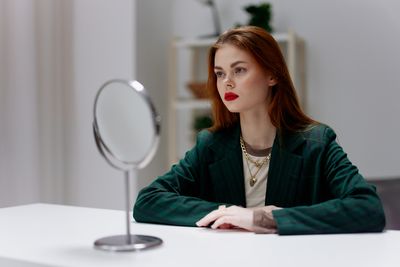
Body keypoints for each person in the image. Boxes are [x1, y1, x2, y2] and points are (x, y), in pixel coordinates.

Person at [133, 26, 386, 235]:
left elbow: (368, 207)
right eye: (220, 74)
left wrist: (267, 219)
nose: (227, 82)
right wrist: (230, 214)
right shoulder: (210, 145)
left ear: (272, 75)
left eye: (239, 70)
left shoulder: (317, 142)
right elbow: (148, 201)